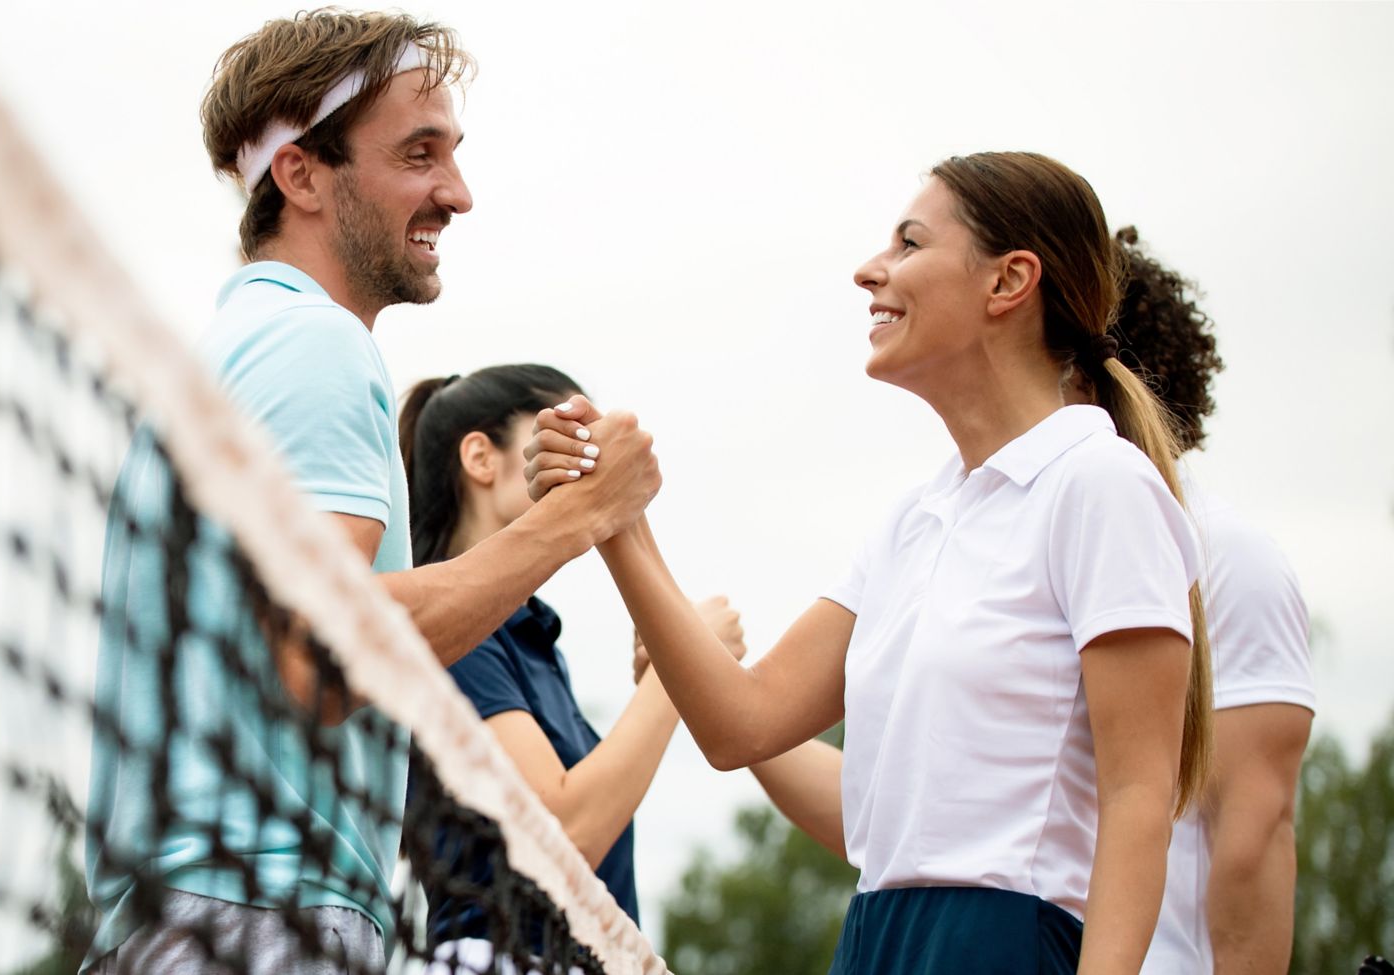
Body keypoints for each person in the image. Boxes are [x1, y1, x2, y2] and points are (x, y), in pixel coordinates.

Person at [527, 153, 1212, 974]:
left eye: (910, 242)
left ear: (1009, 281)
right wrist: (614, 520)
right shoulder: (912, 520)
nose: (869, 270)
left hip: (1004, 944)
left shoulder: (1100, 486)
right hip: (875, 938)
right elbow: (738, 723)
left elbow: (1139, 799)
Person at [83, 12, 660, 974]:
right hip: (257, 915)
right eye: (418, 154)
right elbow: (322, 651)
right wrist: (581, 518)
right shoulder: (316, 345)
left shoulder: (239, 352)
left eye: (453, 154)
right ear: (300, 174)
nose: (458, 194)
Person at [731, 227, 1317, 974]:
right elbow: (887, 819)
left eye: (913, 245)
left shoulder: (1225, 551)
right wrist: (711, 685)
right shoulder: (948, 521)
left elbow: (1253, 836)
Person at [395, 365, 742, 974]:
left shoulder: (529, 637)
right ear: (480, 456)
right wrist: (671, 677)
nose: (597, 457)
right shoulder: (460, 636)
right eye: (564, 433)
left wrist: (678, 667)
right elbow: (567, 833)